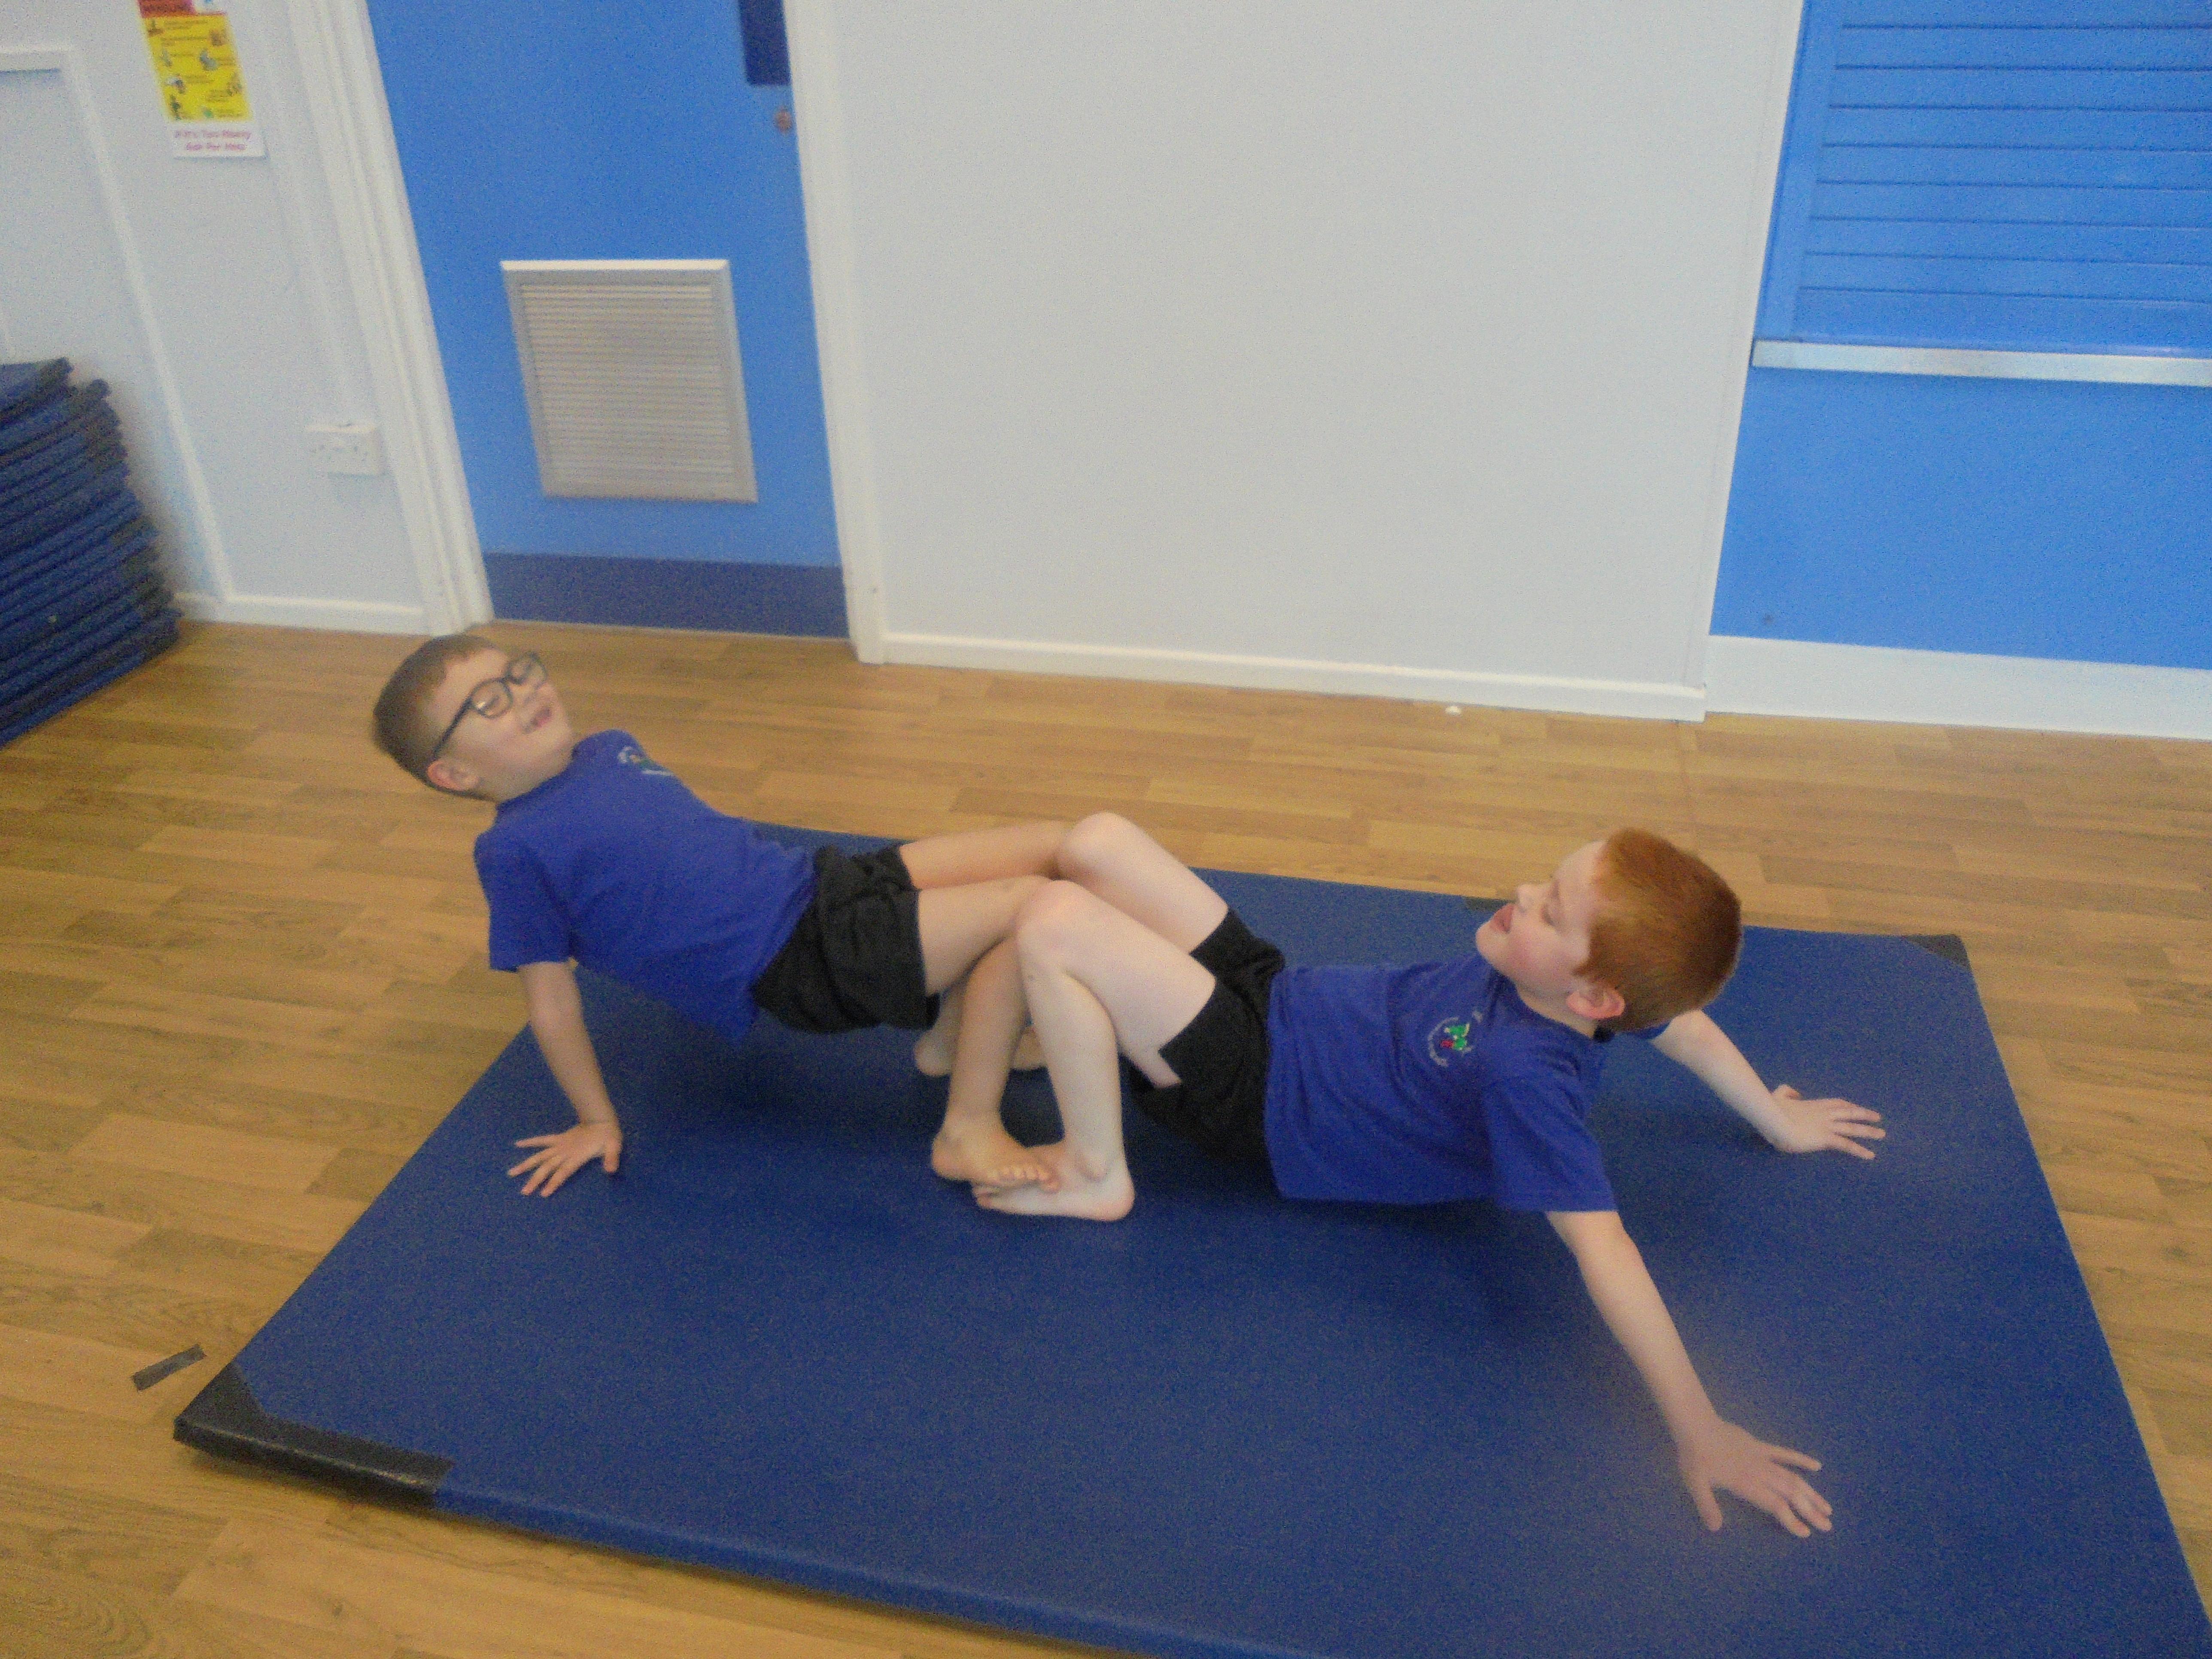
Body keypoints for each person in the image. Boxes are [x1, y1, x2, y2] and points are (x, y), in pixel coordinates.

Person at [971, 812, 1884, 1538]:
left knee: (1052, 922)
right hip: (1276, 995)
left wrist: (1701, 1428)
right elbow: (1684, 1027)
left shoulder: (1528, 1074)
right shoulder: (1577, 991)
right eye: (1548, 883)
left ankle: (1094, 1168)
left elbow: (1605, 1248)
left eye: (1550, 912)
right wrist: (1775, 1118)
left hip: (1258, 1092)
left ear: (1592, 998)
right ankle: (1080, 1020)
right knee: (1095, 844)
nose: (1521, 896)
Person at [370, 635, 1066, 1197]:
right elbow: (551, 1003)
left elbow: (699, 852)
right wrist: (595, 1120)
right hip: (801, 960)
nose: (523, 692)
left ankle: (952, 1040)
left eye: (519, 673)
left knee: (1057, 848)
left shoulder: (610, 747)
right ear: (455, 774)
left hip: (822, 882)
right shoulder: (514, 851)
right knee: (1027, 909)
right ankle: (968, 1128)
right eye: (489, 702)